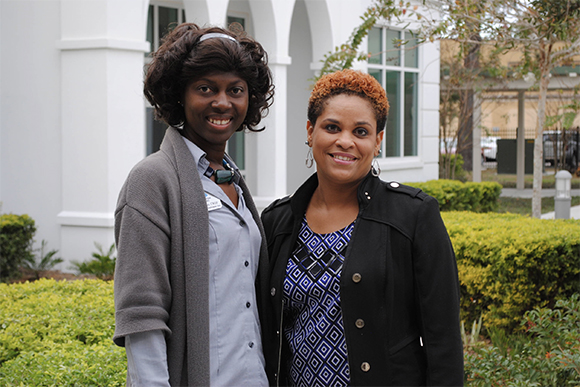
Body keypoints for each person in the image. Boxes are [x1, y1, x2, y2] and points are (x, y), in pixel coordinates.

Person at [261, 69, 463, 386]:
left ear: (378, 140)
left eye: (360, 131)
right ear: (311, 131)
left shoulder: (413, 215)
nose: (345, 141)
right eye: (332, 127)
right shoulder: (277, 221)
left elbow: (444, 341)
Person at [113, 23, 274, 386]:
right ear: (180, 95)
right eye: (206, 88)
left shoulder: (231, 178)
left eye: (236, 90)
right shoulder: (152, 181)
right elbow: (143, 314)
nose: (222, 102)